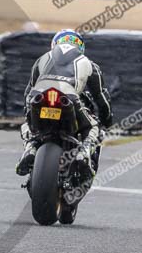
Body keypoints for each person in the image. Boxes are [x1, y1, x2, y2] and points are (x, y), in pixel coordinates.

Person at [16, 29, 112, 177]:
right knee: (94, 126)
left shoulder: (42, 58)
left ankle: (30, 148)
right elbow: (100, 96)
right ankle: (84, 153)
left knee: (26, 124)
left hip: (38, 97)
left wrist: (27, 112)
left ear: (54, 44)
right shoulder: (88, 63)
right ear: (81, 47)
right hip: (68, 99)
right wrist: (107, 120)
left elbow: (28, 91)